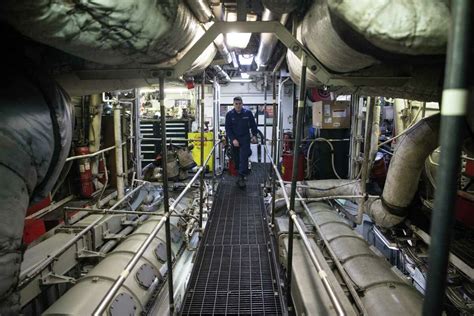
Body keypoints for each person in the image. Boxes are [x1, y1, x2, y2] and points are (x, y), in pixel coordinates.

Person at [225, 96, 258, 188]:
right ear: (233, 104)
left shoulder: (248, 113)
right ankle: (240, 173)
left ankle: (241, 177)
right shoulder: (229, 114)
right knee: (236, 158)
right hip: (235, 140)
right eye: (236, 104)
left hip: (245, 139)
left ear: (242, 104)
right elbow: (228, 129)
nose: (238, 106)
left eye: (240, 104)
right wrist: (233, 139)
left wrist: (254, 135)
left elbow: (253, 125)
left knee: (243, 158)